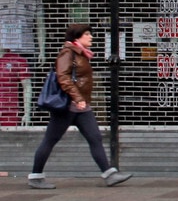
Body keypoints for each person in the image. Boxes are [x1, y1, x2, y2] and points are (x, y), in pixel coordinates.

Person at [26, 25, 131, 189]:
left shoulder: (81, 54)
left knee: (94, 137)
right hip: (68, 105)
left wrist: (82, 100)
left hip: (81, 106)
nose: (91, 37)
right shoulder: (67, 53)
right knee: (50, 140)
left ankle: (109, 174)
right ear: (77, 37)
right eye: (87, 34)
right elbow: (63, 78)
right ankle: (36, 176)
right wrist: (77, 98)